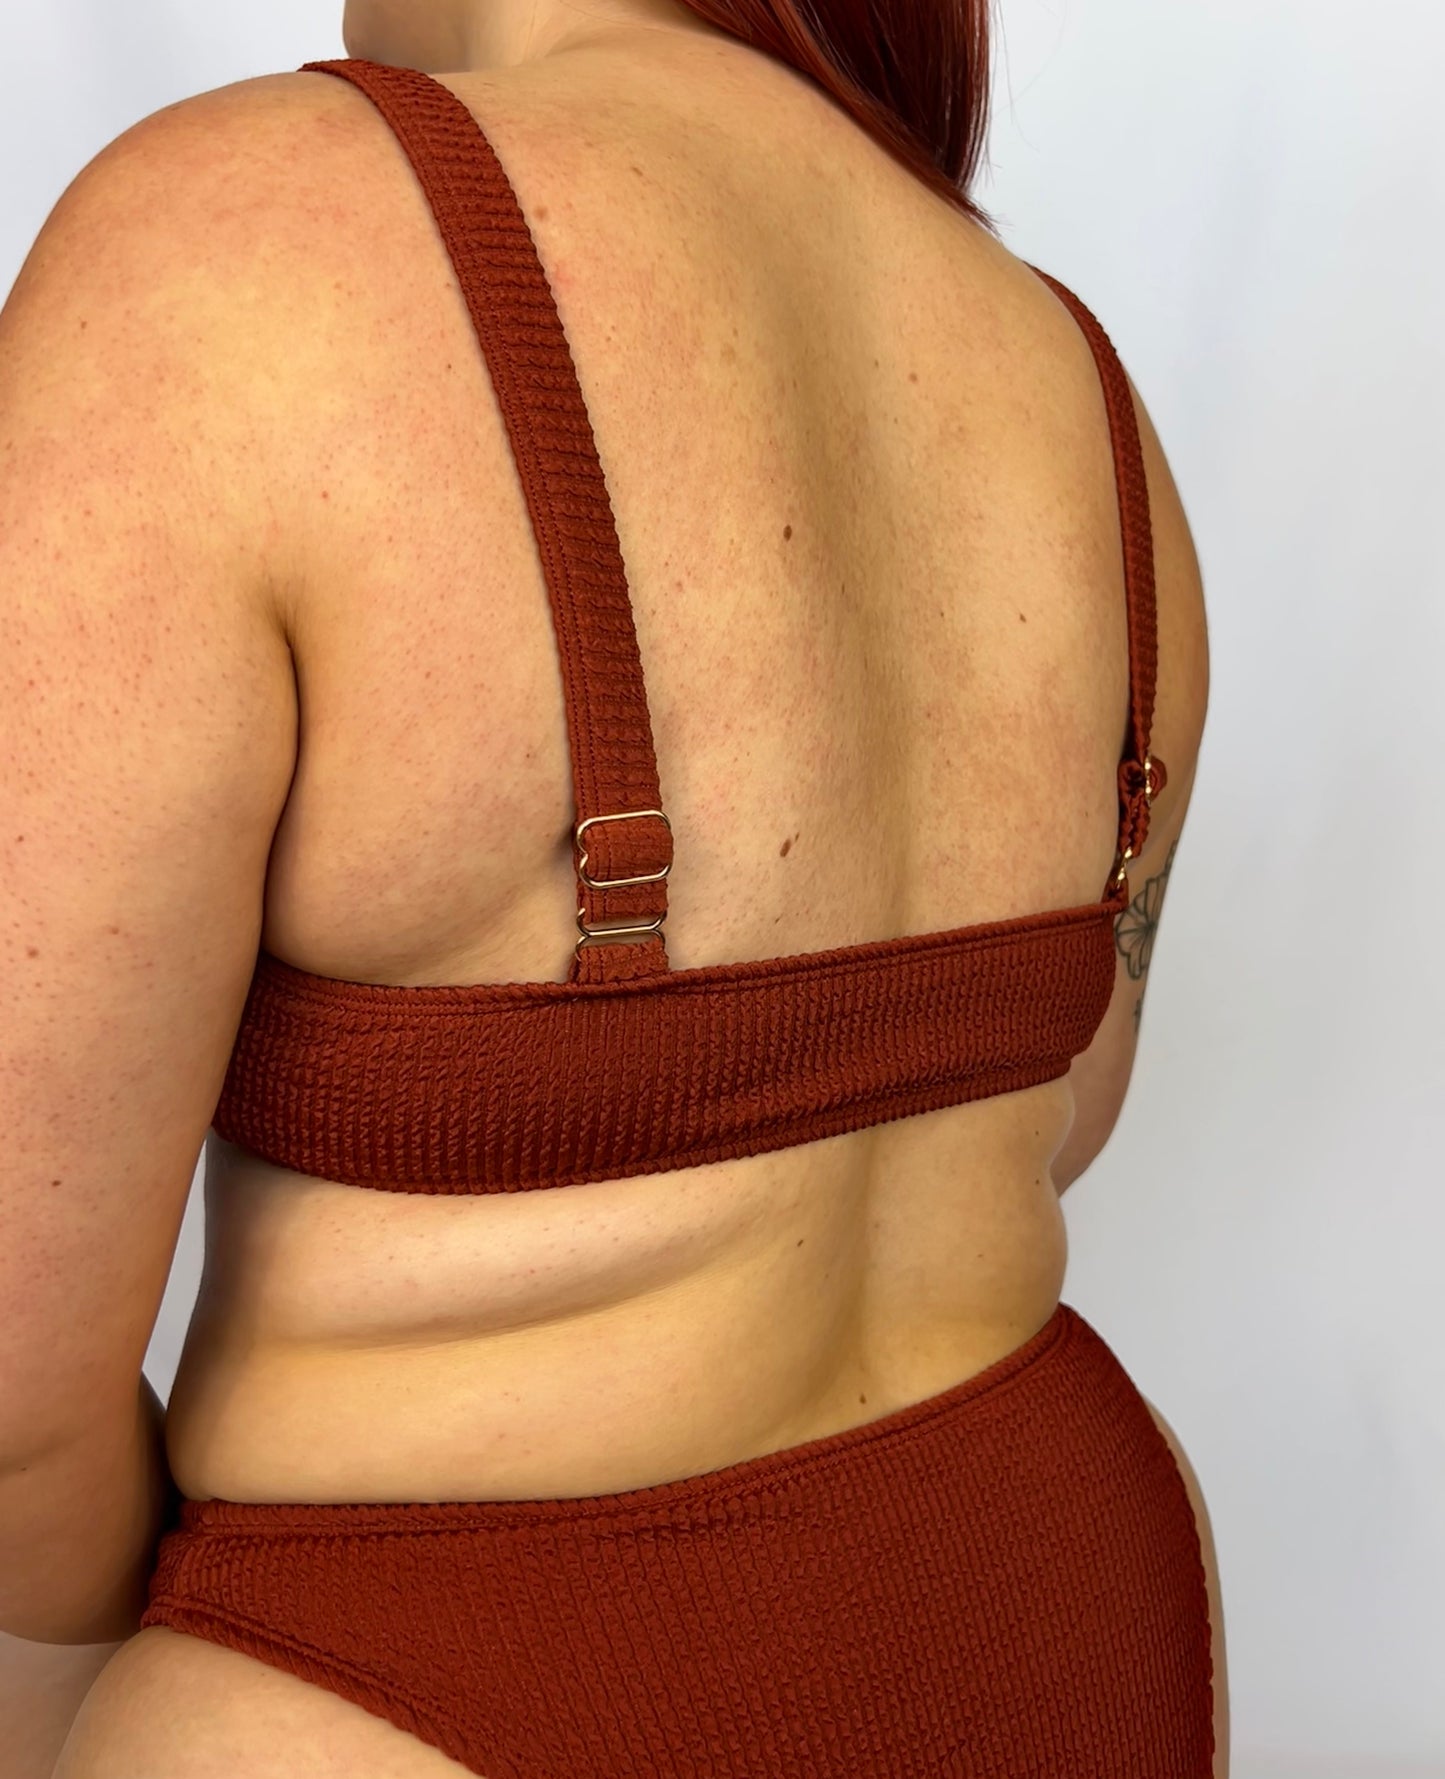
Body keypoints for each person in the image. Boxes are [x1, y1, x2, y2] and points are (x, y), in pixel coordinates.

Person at [1, 0, 1223, 1772]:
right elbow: (1063, 1108)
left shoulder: (244, 250)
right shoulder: (1068, 377)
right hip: (1052, 1601)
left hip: (405, 1697)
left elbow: (13, 1383)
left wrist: (177, 1670)